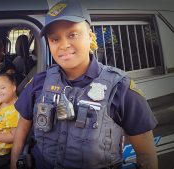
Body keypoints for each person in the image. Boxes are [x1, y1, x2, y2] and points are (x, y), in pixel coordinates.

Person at [11, 0, 158, 169]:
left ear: (90, 36)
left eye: (73, 34)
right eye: (55, 39)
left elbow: (145, 154)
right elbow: (22, 129)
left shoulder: (120, 88)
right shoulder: (39, 82)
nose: (64, 45)